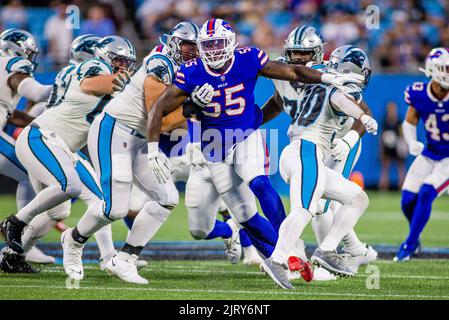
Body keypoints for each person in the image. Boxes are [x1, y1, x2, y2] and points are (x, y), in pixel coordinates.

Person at [145, 19, 362, 272]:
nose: (214, 50)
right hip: (210, 150)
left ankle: (290, 251)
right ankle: (263, 248)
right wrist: (157, 144)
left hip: (245, 136)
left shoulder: (248, 58)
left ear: (231, 44)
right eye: (209, 44)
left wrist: (325, 77)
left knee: (259, 183)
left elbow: (292, 72)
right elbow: (160, 109)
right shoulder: (191, 71)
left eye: (218, 44)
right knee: (226, 221)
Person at [60, 22, 199, 285]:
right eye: (188, 44)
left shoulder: (188, 70)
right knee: (115, 208)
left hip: (138, 139)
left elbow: (176, 119)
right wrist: (192, 108)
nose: (193, 51)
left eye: (196, 45)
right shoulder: (161, 61)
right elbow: (157, 117)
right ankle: (73, 239)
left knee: (167, 197)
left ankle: (125, 259)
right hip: (115, 130)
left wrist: (195, 110)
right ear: (174, 43)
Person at [1, 36, 135, 273]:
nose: (124, 67)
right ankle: (15, 222)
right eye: (120, 61)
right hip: (42, 138)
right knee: (69, 185)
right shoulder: (94, 69)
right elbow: (91, 85)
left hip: (62, 148)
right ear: (105, 57)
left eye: (128, 63)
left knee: (86, 205)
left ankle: (14, 255)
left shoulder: (114, 84)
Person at [260, 43, 377, 289]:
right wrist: (362, 117)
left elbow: (332, 94)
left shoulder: (318, 80)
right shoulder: (334, 87)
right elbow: (339, 99)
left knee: (357, 199)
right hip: (306, 151)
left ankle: (326, 250)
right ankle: (277, 260)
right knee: (305, 209)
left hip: (302, 153)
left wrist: (360, 118)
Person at [0, 28, 54, 272]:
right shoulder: (10, 64)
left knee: (29, 174)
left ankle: (18, 240)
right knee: (33, 171)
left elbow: (14, 116)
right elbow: (36, 92)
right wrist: (69, 88)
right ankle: (18, 236)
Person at [395, 47, 449, 262]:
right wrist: (410, 143)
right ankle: (415, 239)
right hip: (430, 152)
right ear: (432, 70)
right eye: (445, 68)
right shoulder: (418, 92)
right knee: (407, 200)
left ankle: (409, 244)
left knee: (426, 193)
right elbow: (409, 121)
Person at [378, 101, 407, 190]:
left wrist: (404, 147)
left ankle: (403, 187)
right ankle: (383, 187)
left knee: (401, 168)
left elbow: (403, 135)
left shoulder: (399, 122)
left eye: (393, 109)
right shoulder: (385, 122)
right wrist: (381, 150)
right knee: (385, 167)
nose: (392, 111)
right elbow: (381, 137)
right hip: (387, 147)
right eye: (390, 109)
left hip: (398, 147)